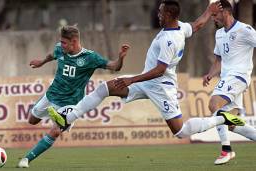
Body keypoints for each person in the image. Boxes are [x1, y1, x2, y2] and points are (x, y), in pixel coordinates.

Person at [48, 0, 246, 150]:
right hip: (147, 80)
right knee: (104, 88)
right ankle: (69, 118)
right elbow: (197, 25)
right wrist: (208, 11)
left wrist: (131, 79)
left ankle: (222, 119)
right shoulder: (179, 27)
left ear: (168, 14)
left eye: (160, 12)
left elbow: (160, 70)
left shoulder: (170, 40)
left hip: (161, 86)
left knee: (181, 132)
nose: (157, 14)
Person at [17, 25, 130, 168]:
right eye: (61, 42)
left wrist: (120, 58)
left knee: (55, 131)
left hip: (70, 104)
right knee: (32, 120)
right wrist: (41, 62)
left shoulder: (90, 58)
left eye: (64, 42)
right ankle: (52, 114)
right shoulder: (60, 49)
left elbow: (114, 67)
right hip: (51, 95)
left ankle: (26, 159)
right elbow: (52, 55)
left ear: (74, 42)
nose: (61, 45)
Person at [203, 0, 256, 165]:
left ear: (225, 12)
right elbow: (218, 60)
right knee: (230, 123)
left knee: (213, 104)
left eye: (215, 14)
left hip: (238, 76)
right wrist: (210, 74)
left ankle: (226, 150)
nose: (213, 18)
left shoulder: (245, 30)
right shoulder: (219, 34)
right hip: (227, 78)